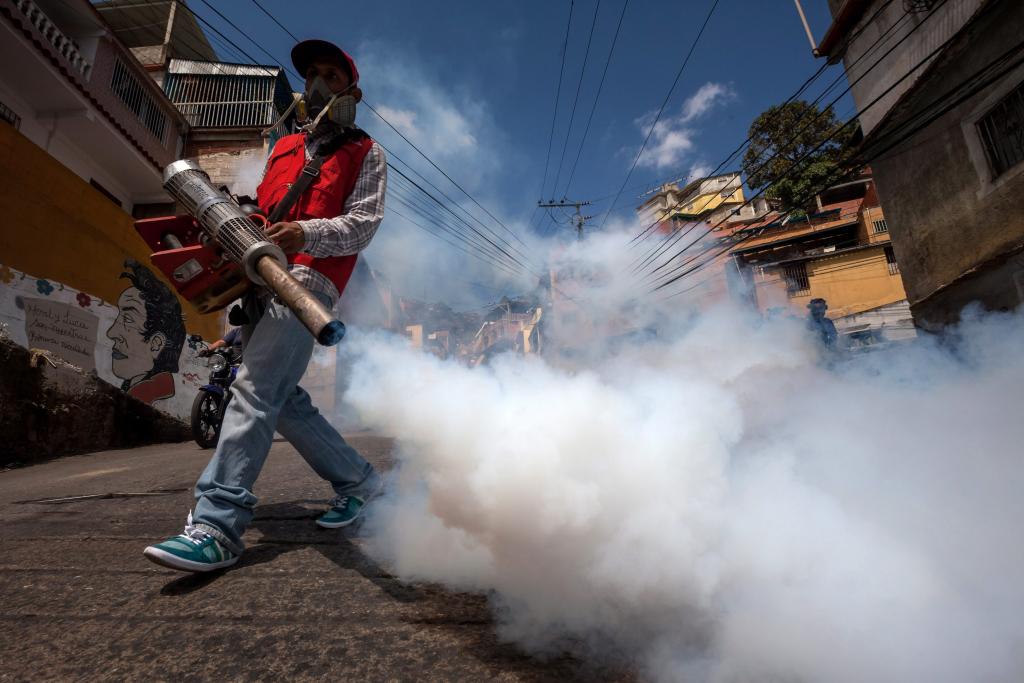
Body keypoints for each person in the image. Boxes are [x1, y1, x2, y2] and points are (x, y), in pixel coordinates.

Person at [144, 39, 387, 573]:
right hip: (257, 281)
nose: (320, 83)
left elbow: (364, 224)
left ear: (352, 91)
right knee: (285, 399)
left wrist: (304, 233)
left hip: (309, 282)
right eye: (313, 74)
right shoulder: (282, 147)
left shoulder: (365, 151)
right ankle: (362, 483)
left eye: (332, 75)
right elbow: (263, 210)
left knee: (254, 391)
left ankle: (217, 525)